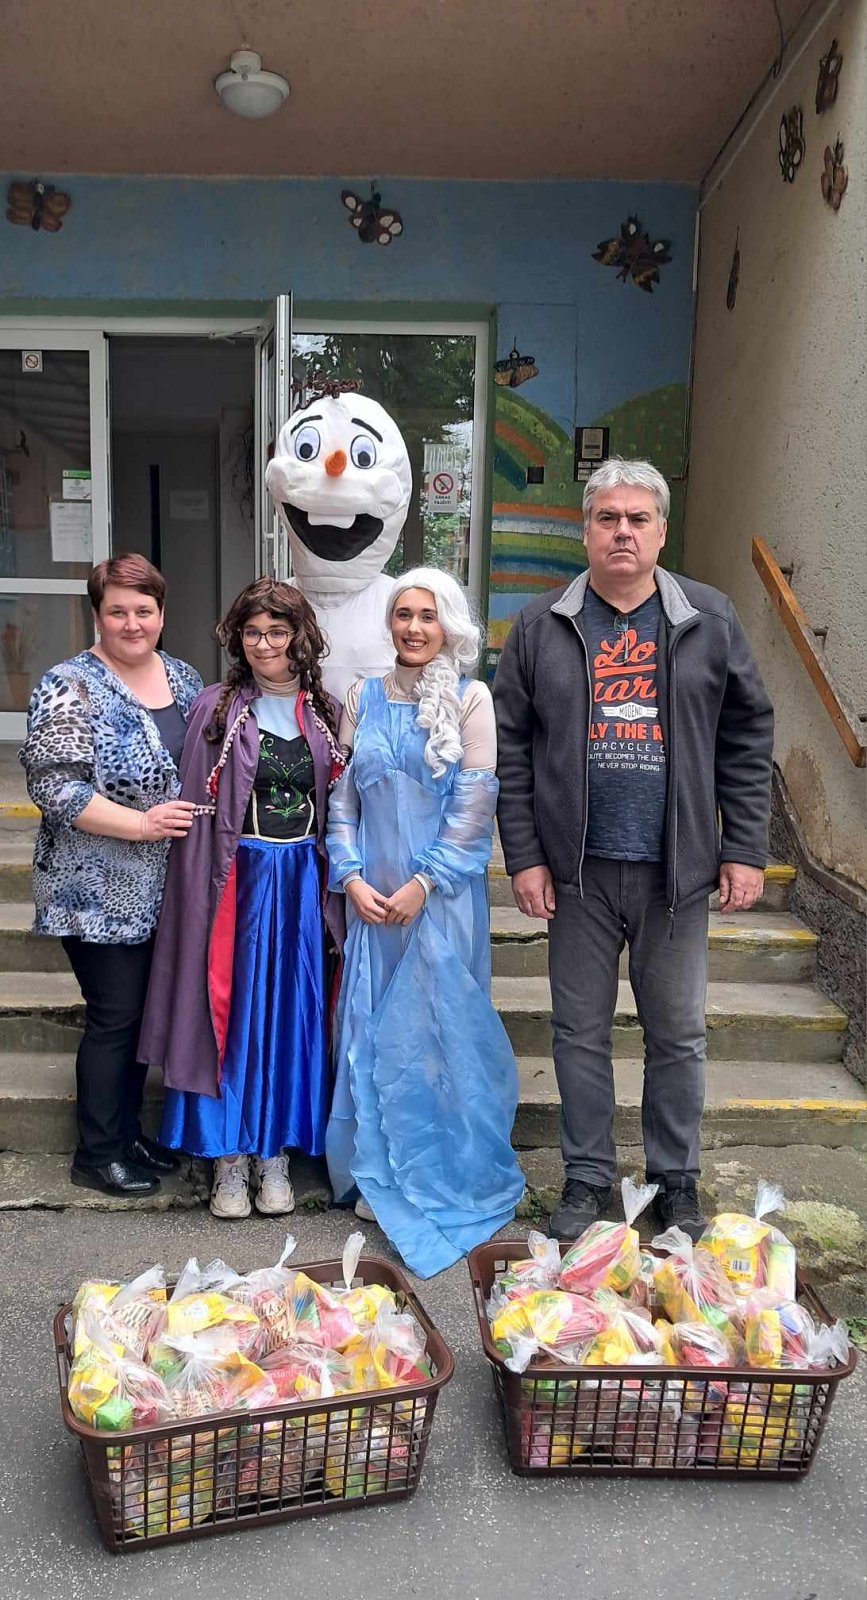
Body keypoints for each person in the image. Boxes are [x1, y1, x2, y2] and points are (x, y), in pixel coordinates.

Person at [493, 459, 774, 1243]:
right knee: (577, 1032)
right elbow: (510, 749)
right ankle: (586, 1175)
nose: (622, 531)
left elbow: (746, 736)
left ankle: (673, 1179)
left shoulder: (708, 618)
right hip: (576, 874)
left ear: (659, 531)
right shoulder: (540, 625)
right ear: (584, 530)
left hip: (674, 874)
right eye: (607, 517)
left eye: (637, 518)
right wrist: (524, 856)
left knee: (677, 1034)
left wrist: (743, 847)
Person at [326, 567, 524, 1278]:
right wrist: (350, 877)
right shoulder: (361, 697)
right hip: (372, 898)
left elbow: (473, 811)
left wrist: (422, 884)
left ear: (449, 627)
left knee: (438, 1036)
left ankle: (438, 1170)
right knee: (371, 1032)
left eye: (427, 616)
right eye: (403, 614)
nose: (413, 627)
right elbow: (342, 802)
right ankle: (376, 1166)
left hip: (439, 900)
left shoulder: (471, 700)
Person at [138, 578, 345, 1221]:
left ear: (301, 636)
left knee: (289, 1014)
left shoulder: (325, 711)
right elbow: (199, 808)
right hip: (237, 881)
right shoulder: (217, 707)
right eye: (252, 632)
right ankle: (228, 1156)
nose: (263, 644)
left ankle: (274, 1152)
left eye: (277, 631)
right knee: (232, 1012)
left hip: (300, 883)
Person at [19, 554, 202, 1196]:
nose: (132, 623)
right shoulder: (70, 684)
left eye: (143, 610)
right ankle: (96, 1153)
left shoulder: (182, 676)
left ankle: (126, 1135)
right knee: (116, 1015)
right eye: (117, 610)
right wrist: (141, 824)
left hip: (165, 889)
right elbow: (55, 788)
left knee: (143, 1014)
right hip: (92, 888)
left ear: (162, 613)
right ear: (96, 615)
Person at [265, 389, 412, 700]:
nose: (335, 467)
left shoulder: (401, 605)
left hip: (369, 732)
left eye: (363, 457)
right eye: (306, 449)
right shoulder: (275, 602)